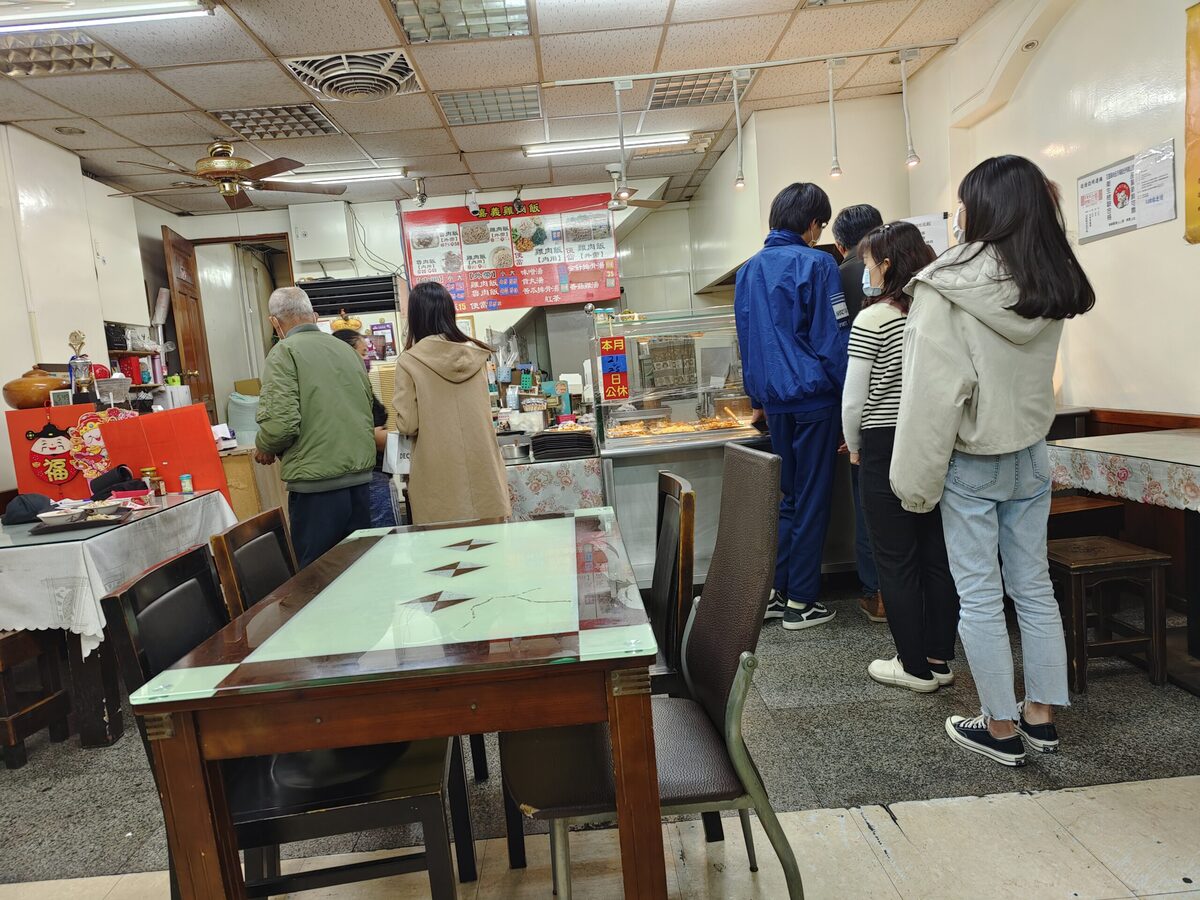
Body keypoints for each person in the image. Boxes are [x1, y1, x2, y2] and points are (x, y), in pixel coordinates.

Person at [891, 155, 1095, 766]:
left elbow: (931, 396)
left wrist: (913, 485)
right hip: (1032, 452)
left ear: (980, 209)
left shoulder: (945, 285)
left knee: (980, 595)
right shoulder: (1051, 280)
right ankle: (1042, 717)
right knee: (1034, 587)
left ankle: (1000, 728)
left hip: (972, 460)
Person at [842, 222, 959, 694]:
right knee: (936, 550)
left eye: (869, 264)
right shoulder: (935, 313)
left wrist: (853, 446)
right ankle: (939, 657)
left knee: (894, 556)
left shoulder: (873, 319)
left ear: (886, 266)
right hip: (933, 439)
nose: (866, 272)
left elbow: (854, 399)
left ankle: (913, 667)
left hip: (884, 440)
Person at [735, 182, 850, 631]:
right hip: (815, 400)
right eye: (819, 223)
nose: (818, 231)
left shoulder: (748, 270)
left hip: (776, 404)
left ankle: (777, 593)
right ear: (811, 223)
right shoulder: (819, 263)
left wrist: (757, 399)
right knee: (814, 499)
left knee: (787, 499)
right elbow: (831, 341)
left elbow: (747, 341)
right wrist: (848, 403)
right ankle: (803, 602)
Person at [254, 287, 376, 568]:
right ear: (314, 316)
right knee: (360, 568)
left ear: (275, 322)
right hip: (358, 480)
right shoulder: (347, 351)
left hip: (316, 484)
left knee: (318, 575)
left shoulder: (283, 352)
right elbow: (366, 407)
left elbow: (280, 423)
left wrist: (264, 446)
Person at [392, 282, 510, 525]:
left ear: (414, 317)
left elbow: (408, 424)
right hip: (484, 473)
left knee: (446, 557)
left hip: (437, 478)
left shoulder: (409, 361)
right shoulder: (476, 355)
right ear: (449, 312)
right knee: (492, 553)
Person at [832, 203, 886, 623]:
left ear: (839, 243)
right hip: (906, 411)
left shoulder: (837, 275)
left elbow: (842, 359)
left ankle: (876, 593)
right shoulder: (908, 276)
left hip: (864, 412)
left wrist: (847, 427)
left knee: (868, 503)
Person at [331, 327, 396, 528]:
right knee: (382, 543)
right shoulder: (343, 389)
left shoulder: (358, 383)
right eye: (363, 353)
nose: (367, 359)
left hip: (375, 473)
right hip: (369, 477)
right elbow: (364, 433)